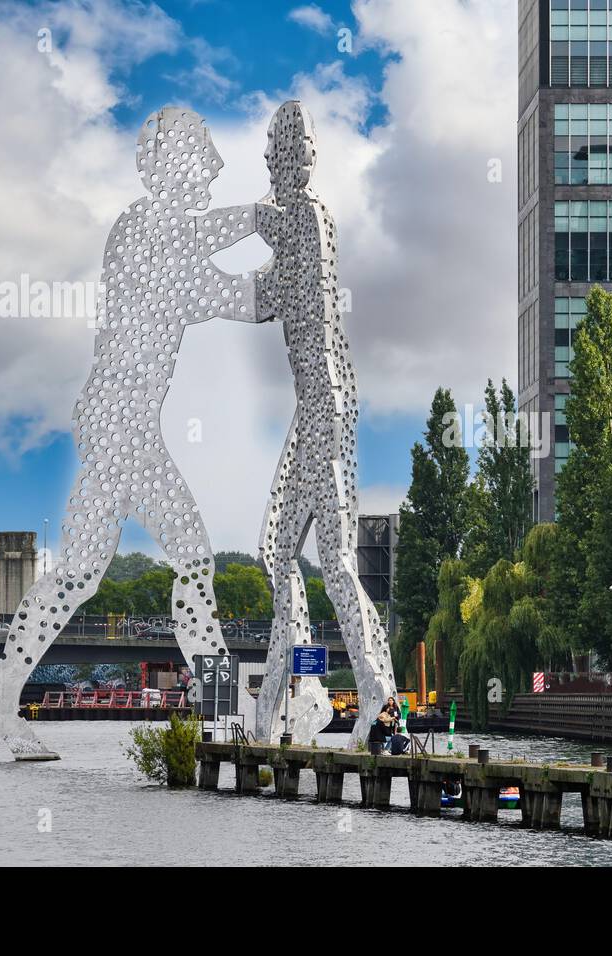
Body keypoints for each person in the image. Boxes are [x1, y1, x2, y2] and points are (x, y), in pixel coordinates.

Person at [0, 108, 260, 760]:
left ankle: (1, 685)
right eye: (203, 155)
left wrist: (294, 259)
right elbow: (203, 247)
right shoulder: (143, 230)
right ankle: (224, 716)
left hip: (119, 423)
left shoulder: (175, 265)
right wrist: (267, 216)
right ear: (170, 164)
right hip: (118, 422)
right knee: (189, 560)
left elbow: (247, 300)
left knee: (80, 573)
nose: (213, 167)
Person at [252, 101, 397, 746]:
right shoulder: (298, 224)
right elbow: (266, 299)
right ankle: (291, 702)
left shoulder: (308, 218)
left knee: (331, 560)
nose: (279, 168)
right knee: (280, 552)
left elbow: (295, 300)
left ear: (295, 161)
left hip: (325, 405)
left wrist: (261, 229)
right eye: (278, 158)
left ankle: (370, 694)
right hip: (315, 408)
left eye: (284, 156)